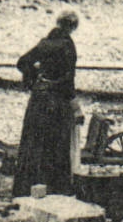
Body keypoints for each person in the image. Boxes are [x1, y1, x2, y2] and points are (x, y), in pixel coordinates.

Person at [14, 11, 80, 197]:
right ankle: (55, 191)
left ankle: (26, 188)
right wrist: (75, 105)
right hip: (56, 103)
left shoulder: (45, 43)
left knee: (34, 143)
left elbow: (22, 62)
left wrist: (34, 79)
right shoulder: (68, 46)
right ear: (73, 27)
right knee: (55, 146)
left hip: (37, 101)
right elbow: (68, 80)